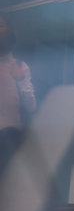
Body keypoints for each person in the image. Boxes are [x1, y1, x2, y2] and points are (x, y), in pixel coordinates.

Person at [0, 13, 36, 177]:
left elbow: (31, 106)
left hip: (11, 142)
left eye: (1, 26)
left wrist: (21, 79)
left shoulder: (20, 66)